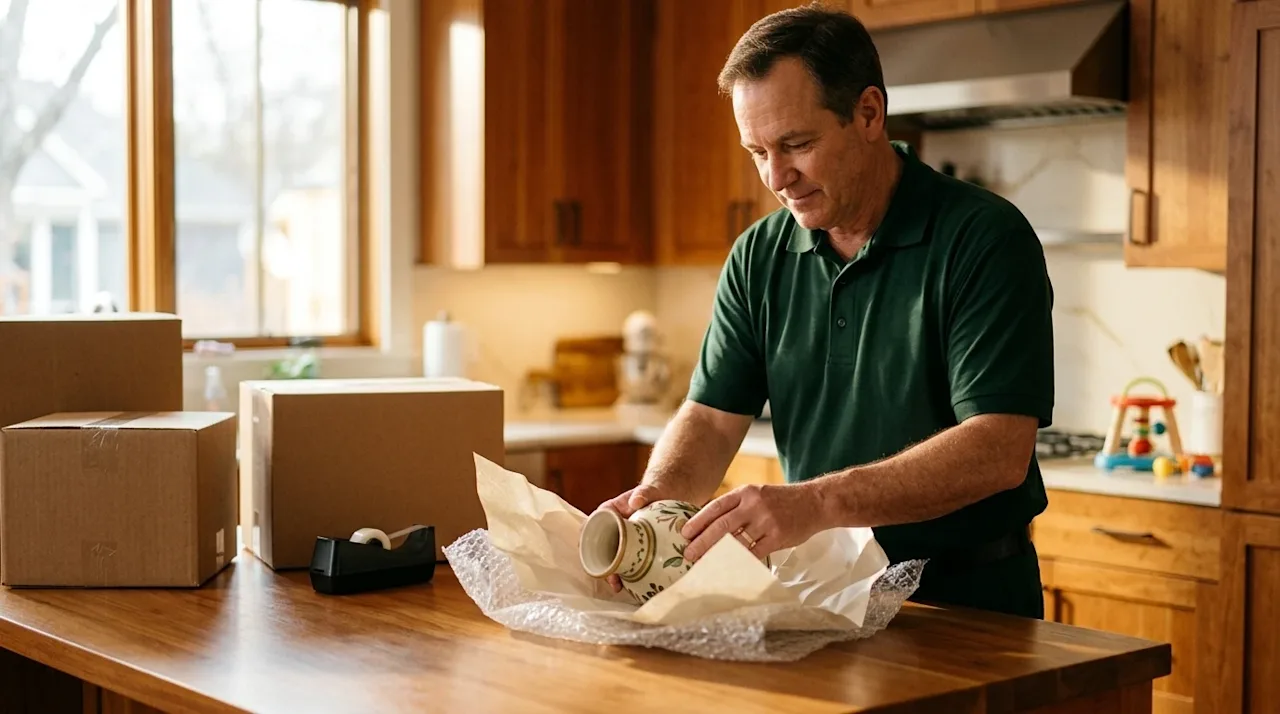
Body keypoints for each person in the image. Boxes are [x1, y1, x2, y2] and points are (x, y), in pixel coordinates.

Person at [596, 4, 1055, 619]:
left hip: (965, 606)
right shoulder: (759, 255)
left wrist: (816, 503)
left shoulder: (984, 239)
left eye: (796, 144)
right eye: (756, 151)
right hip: (820, 601)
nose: (776, 177)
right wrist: (657, 498)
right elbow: (709, 419)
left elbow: (998, 450)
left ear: (868, 114)